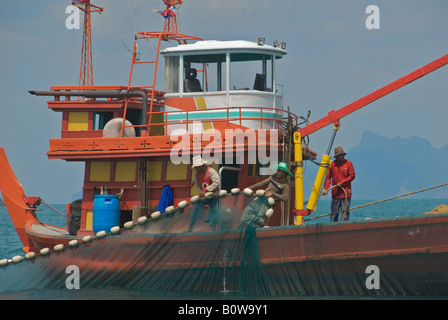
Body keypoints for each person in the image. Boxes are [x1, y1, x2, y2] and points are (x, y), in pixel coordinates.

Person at [238, 162, 292, 228]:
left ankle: (260, 230)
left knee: (259, 219)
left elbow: (285, 198)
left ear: (284, 173)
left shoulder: (285, 185)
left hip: (268, 204)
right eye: (276, 170)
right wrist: (248, 188)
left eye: (279, 171)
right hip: (260, 198)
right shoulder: (273, 177)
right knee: (247, 212)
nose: (277, 172)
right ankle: (238, 230)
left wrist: (272, 194)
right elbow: (261, 184)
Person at [322, 146, 355, 222]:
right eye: (340, 155)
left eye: (343, 154)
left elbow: (352, 176)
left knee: (345, 212)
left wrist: (342, 183)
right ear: (337, 156)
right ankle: (333, 227)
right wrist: (326, 188)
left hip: (346, 192)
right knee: (334, 213)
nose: (342, 156)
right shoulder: (332, 165)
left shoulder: (348, 163)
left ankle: (344, 227)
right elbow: (328, 178)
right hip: (335, 193)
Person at [189, 155, 220, 231]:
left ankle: (213, 228)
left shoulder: (211, 171)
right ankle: (191, 226)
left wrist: (206, 190)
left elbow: (217, 182)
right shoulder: (196, 175)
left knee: (213, 209)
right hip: (204, 196)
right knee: (196, 208)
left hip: (214, 195)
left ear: (201, 166)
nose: (195, 169)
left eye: (196, 167)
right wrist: (202, 193)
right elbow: (197, 186)